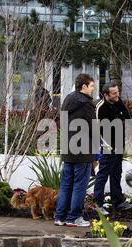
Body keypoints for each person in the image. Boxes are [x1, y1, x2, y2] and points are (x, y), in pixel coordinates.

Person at [54, 73, 95, 227]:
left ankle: (60, 217)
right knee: (79, 185)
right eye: (91, 86)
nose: (92, 90)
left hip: (68, 149)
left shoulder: (67, 100)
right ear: (83, 86)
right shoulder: (86, 103)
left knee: (65, 184)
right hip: (82, 150)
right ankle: (74, 218)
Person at [93, 81, 132, 215]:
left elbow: (128, 116)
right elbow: (97, 129)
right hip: (108, 146)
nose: (117, 95)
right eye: (114, 93)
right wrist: (108, 145)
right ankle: (97, 204)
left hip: (119, 144)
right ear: (106, 95)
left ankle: (118, 202)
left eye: (118, 92)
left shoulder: (117, 101)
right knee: (103, 174)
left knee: (117, 173)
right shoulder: (101, 107)